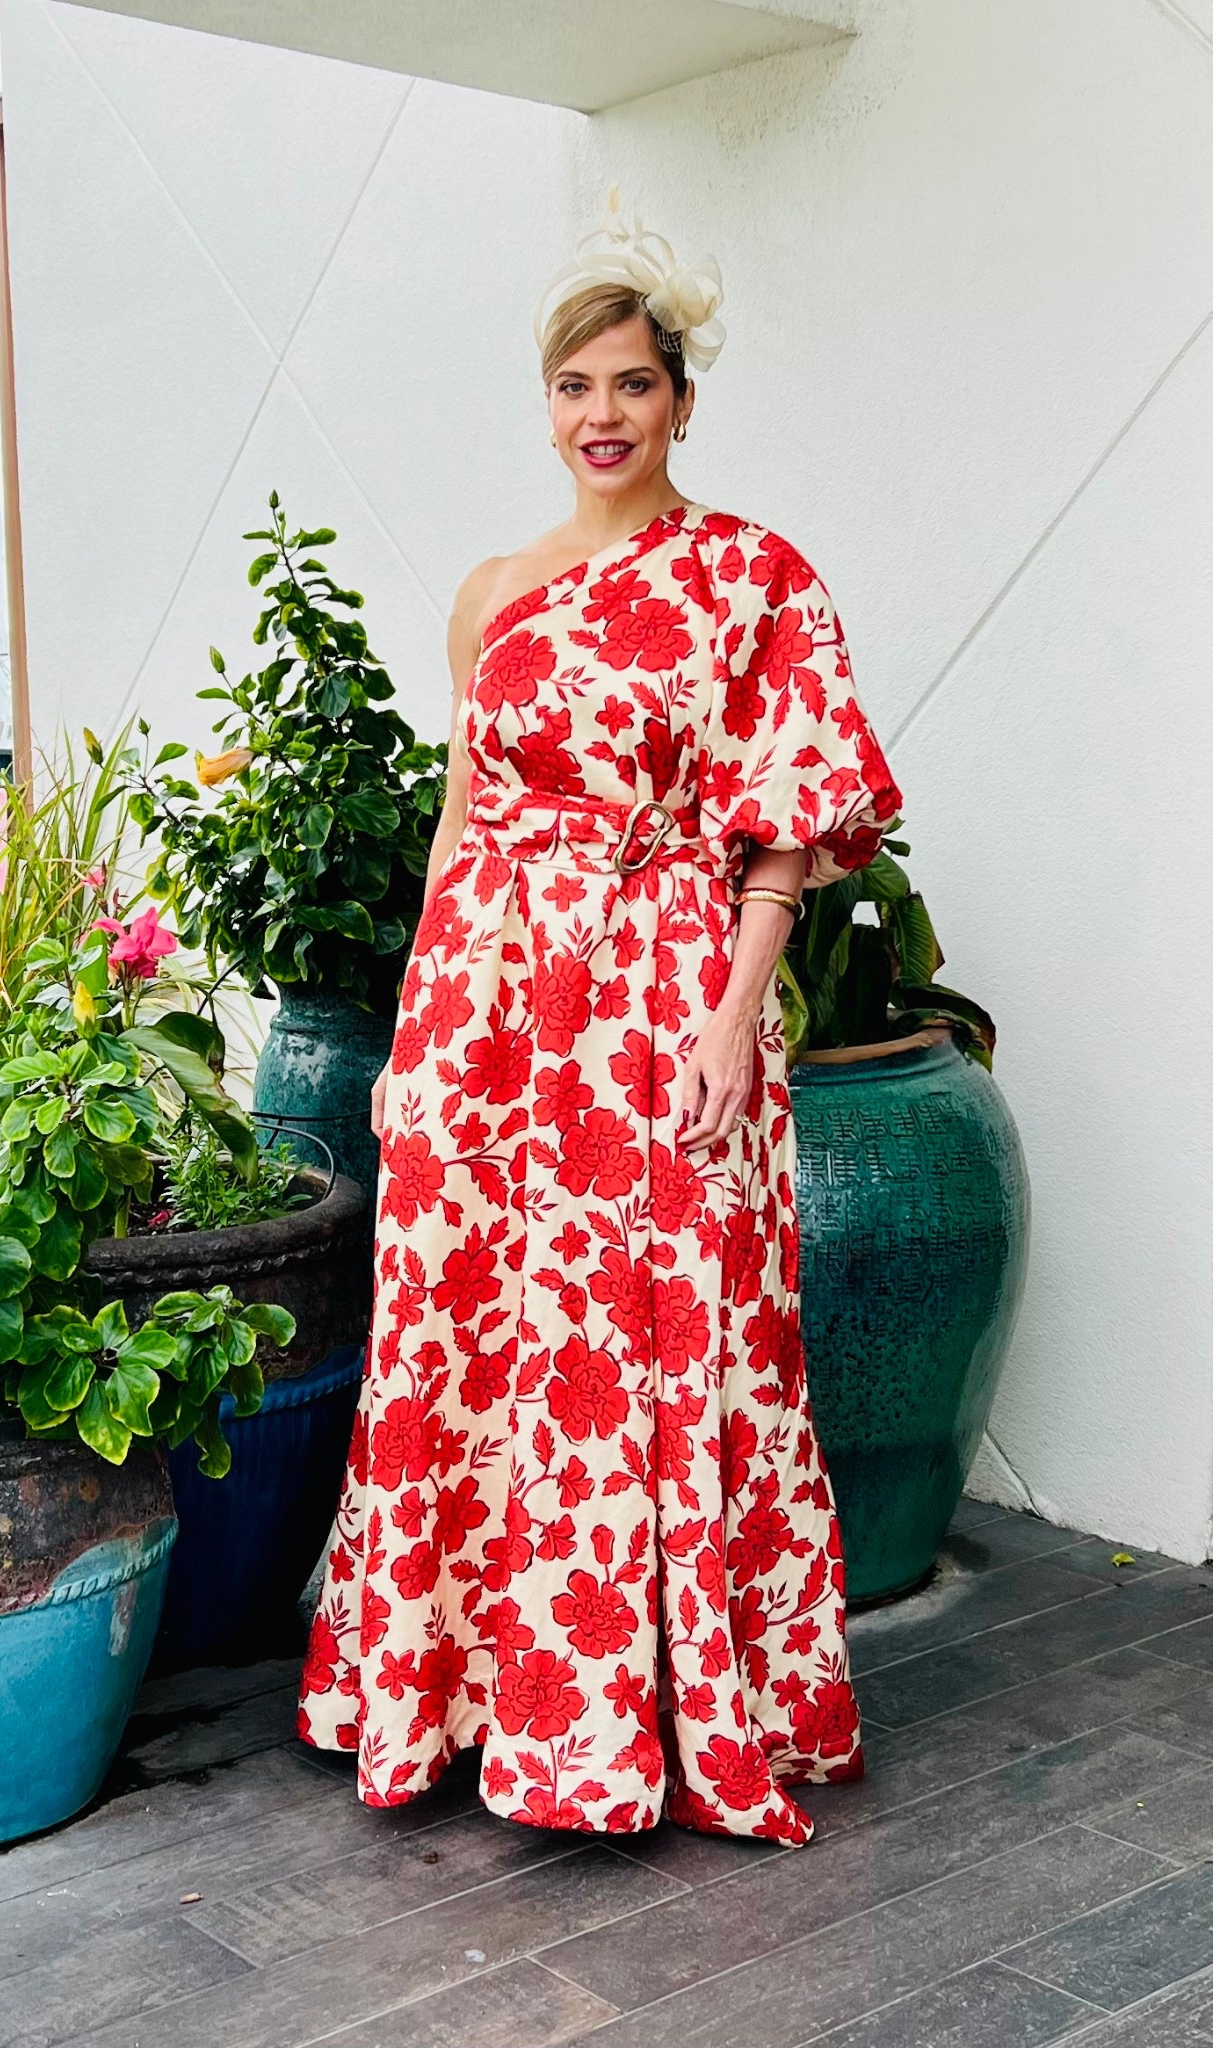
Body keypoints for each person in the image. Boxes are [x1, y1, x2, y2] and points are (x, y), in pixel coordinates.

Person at [297, 194, 902, 1846]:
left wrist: (733, 1014)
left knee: (668, 1327)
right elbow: (461, 819)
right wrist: (415, 1034)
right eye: (575, 386)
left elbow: (784, 827)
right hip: (489, 1006)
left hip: (662, 995)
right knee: (470, 1331)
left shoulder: (751, 576)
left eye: (634, 382)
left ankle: (658, 1714)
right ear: (546, 404)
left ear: (682, 401)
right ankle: (473, 1702)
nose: (603, 414)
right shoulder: (492, 592)